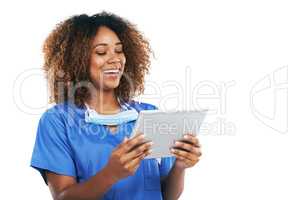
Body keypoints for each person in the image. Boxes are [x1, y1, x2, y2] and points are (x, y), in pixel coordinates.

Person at [30, 11, 202, 200]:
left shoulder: (149, 114)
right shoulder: (57, 121)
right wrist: (110, 174)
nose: (115, 59)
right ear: (77, 60)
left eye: (119, 50)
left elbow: (166, 195)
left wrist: (180, 166)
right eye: (101, 52)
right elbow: (63, 196)